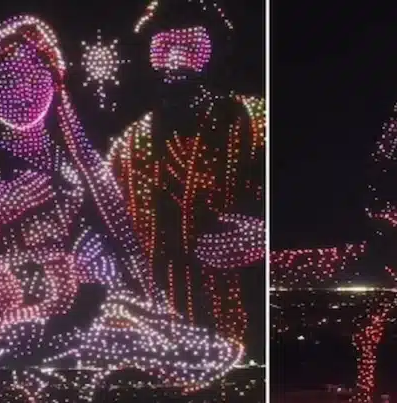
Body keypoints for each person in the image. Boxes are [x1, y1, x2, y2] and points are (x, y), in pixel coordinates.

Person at [0, 15, 241, 400]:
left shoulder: (75, 168)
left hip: (72, 304)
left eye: (34, 76)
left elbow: (105, 244)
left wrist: (89, 266)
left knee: (190, 349)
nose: (22, 90)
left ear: (54, 82)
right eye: (7, 78)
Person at [106, 0, 265, 350]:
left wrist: (265, 235)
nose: (176, 61)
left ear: (216, 52)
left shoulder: (257, 120)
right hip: (159, 320)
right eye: (162, 49)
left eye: (191, 47)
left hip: (248, 309)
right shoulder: (128, 146)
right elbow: (108, 239)